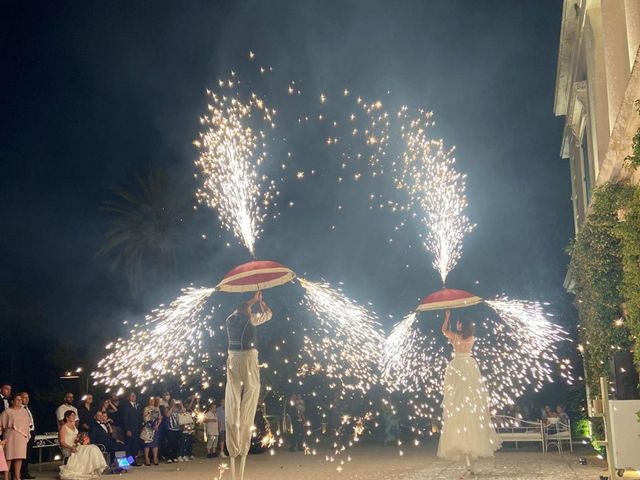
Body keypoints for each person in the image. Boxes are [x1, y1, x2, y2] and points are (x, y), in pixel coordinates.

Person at [437, 309, 501, 473]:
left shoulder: (456, 336)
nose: (457, 323)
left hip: (458, 366)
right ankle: (470, 456)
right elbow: (452, 334)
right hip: (470, 366)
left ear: (462, 324)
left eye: (459, 322)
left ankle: (467, 456)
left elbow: (444, 331)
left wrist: (447, 318)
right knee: (470, 402)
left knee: (459, 401)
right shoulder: (471, 337)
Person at [224, 290, 272, 480]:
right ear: (246, 311)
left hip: (232, 358)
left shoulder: (229, 320)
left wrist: (252, 300)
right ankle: (242, 446)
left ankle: (233, 447)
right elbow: (268, 315)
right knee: (251, 394)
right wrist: (261, 304)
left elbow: (242, 307)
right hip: (248, 358)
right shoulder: (250, 319)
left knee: (232, 398)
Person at [58, 410, 107, 479]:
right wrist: (71, 447)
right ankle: (88, 469)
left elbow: (76, 437)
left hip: (77, 445)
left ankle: (94, 468)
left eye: (74, 415)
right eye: (72, 415)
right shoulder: (63, 427)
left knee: (93, 447)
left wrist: (81, 439)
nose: (74, 416)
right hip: (69, 447)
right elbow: (62, 442)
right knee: (91, 448)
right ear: (67, 417)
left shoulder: (74, 426)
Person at [0, 395, 30, 480]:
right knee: (8, 457)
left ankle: (17, 476)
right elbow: (1, 424)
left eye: (21, 400)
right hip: (10, 436)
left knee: (19, 457)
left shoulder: (24, 411)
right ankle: (6, 477)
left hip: (21, 437)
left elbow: (27, 424)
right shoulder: (7, 411)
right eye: (17, 400)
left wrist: (26, 434)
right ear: (12, 401)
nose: (20, 401)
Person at [121, 392, 142, 466]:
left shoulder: (137, 405)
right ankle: (130, 461)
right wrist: (127, 429)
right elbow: (125, 418)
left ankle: (133, 460)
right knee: (129, 446)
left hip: (136, 428)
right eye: (132, 396)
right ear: (128, 397)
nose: (134, 397)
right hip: (130, 429)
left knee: (135, 445)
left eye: (134, 396)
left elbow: (139, 417)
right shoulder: (126, 406)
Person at [18, 392, 35, 480]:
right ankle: (19, 473)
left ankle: (25, 472)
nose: (27, 399)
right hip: (23, 433)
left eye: (27, 397)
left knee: (28, 454)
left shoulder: (29, 408)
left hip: (31, 432)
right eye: (24, 397)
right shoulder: (19, 409)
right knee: (22, 454)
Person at [141, 397, 161, 466]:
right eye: (150, 400)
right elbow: (145, 417)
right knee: (147, 444)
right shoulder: (146, 408)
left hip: (155, 427)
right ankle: (147, 458)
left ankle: (155, 458)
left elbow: (159, 418)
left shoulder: (157, 408)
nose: (152, 401)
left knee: (155, 444)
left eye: (153, 400)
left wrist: (157, 425)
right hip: (148, 427)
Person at [164, 399, 181, 463]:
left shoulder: (178, 408)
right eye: (172, 402)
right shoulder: (167, 408)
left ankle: (174, 456)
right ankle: (169, 457)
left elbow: (183, 412)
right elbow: (167, 415)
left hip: (177, 428)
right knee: (170, 443)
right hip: (170, 428)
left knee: (176, 443)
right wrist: (172, 407)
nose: (174, 403)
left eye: (174, 401)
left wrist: (181, 405)